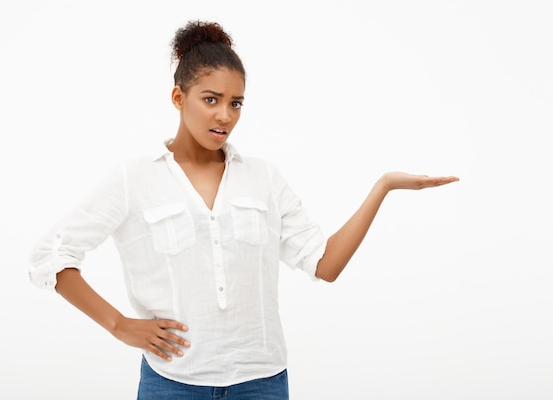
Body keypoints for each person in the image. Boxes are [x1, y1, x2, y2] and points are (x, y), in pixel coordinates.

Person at [29, 20, 459, 399]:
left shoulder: (264, 178)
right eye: (211, 99)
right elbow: (52, 255)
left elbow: (324, 265)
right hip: (171, 383)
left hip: (263, 382)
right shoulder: (134, 178)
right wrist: (120, 325)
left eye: (235, 103)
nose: (225, 116)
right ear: (179, 97)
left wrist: (381, 187)